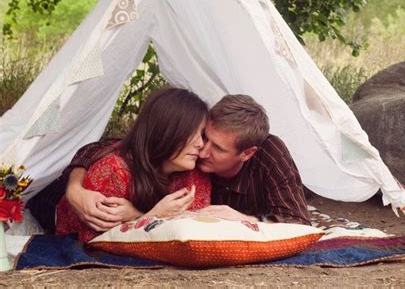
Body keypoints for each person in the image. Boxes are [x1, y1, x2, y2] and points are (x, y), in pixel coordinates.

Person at [63, 94, 310, 231]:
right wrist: (74, 187)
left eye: (219, 149)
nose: (203, 150)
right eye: (204, 137)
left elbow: (298, 222)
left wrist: (247, 219)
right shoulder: (188, 162)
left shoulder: (267, 154)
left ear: (246, 153)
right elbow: (107, 147)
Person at [55, 87, 210, 241]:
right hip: (51, 202)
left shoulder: (194, 173)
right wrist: (153, 217)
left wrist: (141, 216)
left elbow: (193, 235)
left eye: (202, 134)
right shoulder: (115, 170)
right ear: (165, 131)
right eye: (192, 133)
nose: (201, 143)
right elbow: (94, 243)